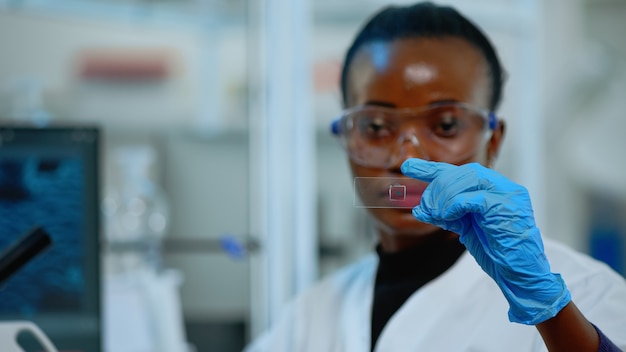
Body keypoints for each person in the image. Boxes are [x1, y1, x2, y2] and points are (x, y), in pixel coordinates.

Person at [245, 2, 626, 351]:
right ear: (347, 136)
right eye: (376, 126)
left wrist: (552, 313)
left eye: (445, 125)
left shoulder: (587, 292)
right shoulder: (311, 315)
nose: (405, 158)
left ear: (492, 141)